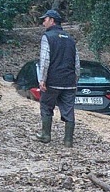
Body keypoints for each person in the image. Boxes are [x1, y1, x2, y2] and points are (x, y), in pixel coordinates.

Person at [34, 9, 80, 147]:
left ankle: (46, 135)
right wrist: (75, 79)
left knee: (46, 106)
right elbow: (77, 63)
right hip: (69, 82)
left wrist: (42, 79)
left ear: (52, 20)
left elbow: (45, 59)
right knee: (68, 109)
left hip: (52, 82)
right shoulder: (71, 39)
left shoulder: (47, 37)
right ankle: (68, 140)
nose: (43, 23)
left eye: (45, 19)